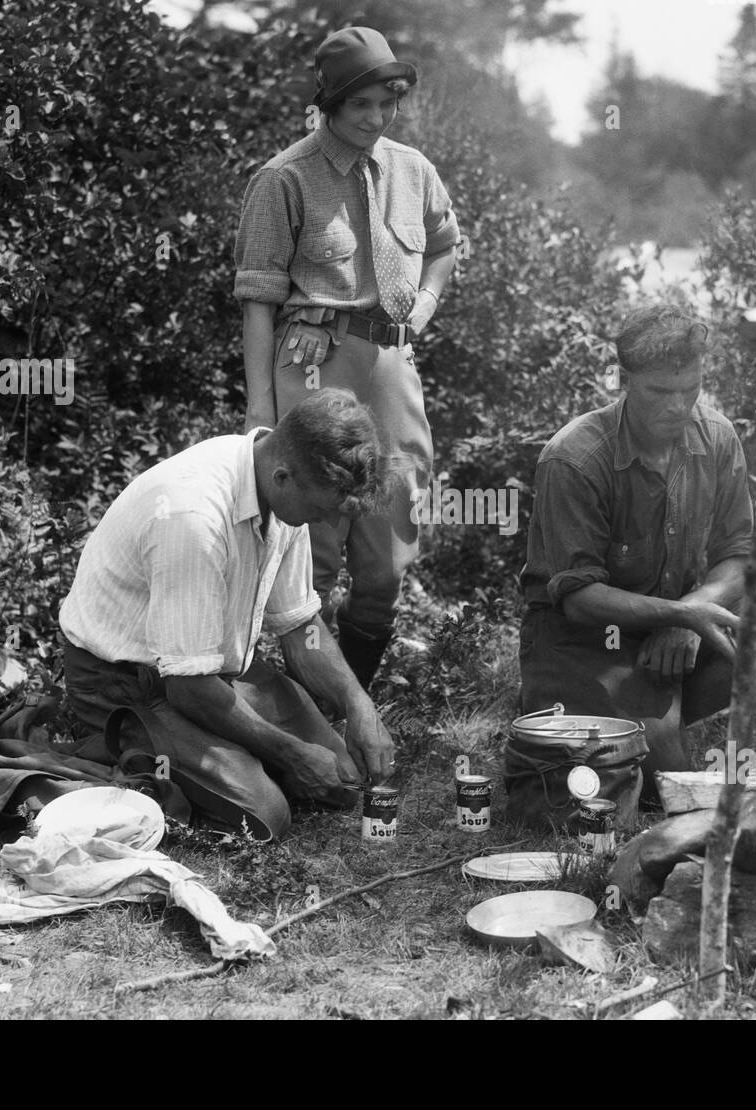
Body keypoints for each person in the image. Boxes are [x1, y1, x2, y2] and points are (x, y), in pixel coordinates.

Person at [58, 389, 397, 840]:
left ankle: (208, 759)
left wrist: (360, 706)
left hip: (208, 672)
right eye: (321, 509)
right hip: (122, 682)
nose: (327, 523)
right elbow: (188, 688)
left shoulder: (284, 491)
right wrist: (291, 755)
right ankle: (103, 749)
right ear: (283, 476)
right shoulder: (192, 517)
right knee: (266, 814)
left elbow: (299, 628)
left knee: (340, 782)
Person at [233, 26, 459, 689]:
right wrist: (259, 413)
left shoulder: (412, 169)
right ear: (329, 103)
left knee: (390, 550)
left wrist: (424, 305)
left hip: (389, 367)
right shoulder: (282, 179)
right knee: (312, 553)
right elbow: (257, 303)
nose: (375, 118)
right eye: (361, 105)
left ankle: (352, 702)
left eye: (387, 104)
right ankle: (299, 708)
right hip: (312, 365)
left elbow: (444, 245)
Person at [519, 304, 756, 776]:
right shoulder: (574, 458)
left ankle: (664, 708)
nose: (678, 407)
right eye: (660, 392)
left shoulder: (716, 436)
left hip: (678, 633)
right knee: (661, 777)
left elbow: (739, 555)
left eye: (690, 389)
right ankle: (646, 721)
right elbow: (578, 599)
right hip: (590, 646)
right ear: (623, 379)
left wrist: (688, 617)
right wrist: (682, 615)